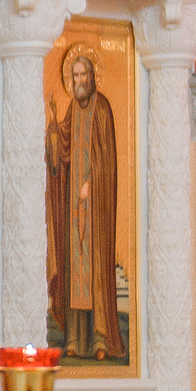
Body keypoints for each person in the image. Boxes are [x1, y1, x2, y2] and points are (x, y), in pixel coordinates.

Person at [46, 49, 124, 360]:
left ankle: (101, 338)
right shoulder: (73, 110)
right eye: (75, 77)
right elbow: (63, 147)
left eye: (83, 76)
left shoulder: (101, 108)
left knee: (95, 272)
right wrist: (54, 127)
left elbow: (108, 159)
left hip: (96, 207)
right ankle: (76, 338)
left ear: (92, 78)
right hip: (74, 207)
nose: (79, 81)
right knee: (75, 270)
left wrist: (94, 181)